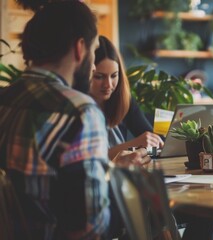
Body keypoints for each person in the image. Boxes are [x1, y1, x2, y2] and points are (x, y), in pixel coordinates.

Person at [0, 2, 149, 239]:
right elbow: (91, 230)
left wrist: (107, 171)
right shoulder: (80, 112)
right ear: (80, 48)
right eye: (93, 49)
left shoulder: (5, 98)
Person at [89, 35, 164, 159]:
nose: (108, 85)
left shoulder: (123, 100)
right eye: (99, 77)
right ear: (88, 72)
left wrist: (141, 152)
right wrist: (133, 145)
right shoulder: (80, 107)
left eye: (114, 76)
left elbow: (158, 146)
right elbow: (92, 160)